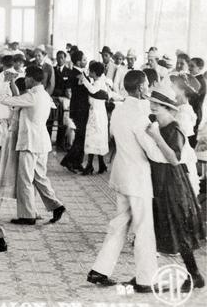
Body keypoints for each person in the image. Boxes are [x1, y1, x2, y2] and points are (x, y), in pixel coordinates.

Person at [87, 70, 169, 292]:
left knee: (119, 224)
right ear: (142, 87)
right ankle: (146, 280)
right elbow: (153, 153)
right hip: (138, 178)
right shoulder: (140, 117)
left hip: (121, 174)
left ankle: (99, 270)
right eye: (147, 86)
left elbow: (115, 138)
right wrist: (169, 153)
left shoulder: (119, 111)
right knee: (144, 229)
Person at [145, 86, 205, 291]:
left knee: (179, 230)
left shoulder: (173, 128)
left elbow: (174, 158)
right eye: (152, 107)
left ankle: (194, 275)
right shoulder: (158, 125)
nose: (153, 111)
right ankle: (189, 275)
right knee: (166, 230)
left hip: (172, 183)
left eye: (157, 108)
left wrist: (156, 136)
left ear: (169, 109)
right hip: (160, 181)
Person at [1, 66, 66, 225]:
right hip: (42, 142)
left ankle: (27, 215)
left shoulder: (32, 96)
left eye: (26, 78)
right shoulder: (43, 95)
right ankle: (56, 205)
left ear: (31, 78)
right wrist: (12, 84)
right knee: (39, 177)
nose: (26, 80)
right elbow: (19, 101)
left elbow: (6, 100)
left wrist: (5, 83)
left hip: (29, 142)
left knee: (25, 179)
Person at [80, 61, 113, 174]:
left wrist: (84, 80)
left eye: (90, 71)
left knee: (94, 137)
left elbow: (92, 90)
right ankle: (101, 164)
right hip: (97, 112)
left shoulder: (99, 82)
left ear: (94, 72)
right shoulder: (99, 81)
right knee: (96, 138)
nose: (89, 72)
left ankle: (90, 165)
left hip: (97, 114)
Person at [60, 49, 89, 172]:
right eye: (84, 60)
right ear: (78, 62)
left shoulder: (80, 73)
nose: (86, 61)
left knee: (82, 136)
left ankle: (77, 162)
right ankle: (69, 161)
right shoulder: (75, 74)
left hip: (82, 108)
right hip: (79, 109)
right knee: (80, 136)